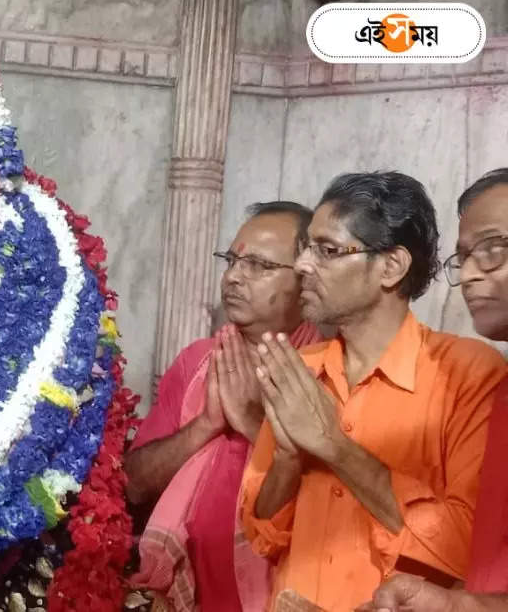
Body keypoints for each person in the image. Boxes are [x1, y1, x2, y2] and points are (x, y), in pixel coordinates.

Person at [240, 171, 506, 611]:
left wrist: (336, 448)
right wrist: (288, 459)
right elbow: (261, 535)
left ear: (391, 267)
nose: (304, 265)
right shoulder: (299, 370)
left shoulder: (468, 374)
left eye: (327, 250)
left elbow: (466, 544)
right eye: (307, 248)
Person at [125, 201, 322, 611]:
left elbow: (335, 514)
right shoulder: (197, 361)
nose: (233, 277)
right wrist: (204, 426)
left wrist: (254, 425)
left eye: (259, 265)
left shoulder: (328, 373)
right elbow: (132, 486)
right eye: (232, 260)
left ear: (306, 277)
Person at [358, 168, 508, 611]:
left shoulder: (471, 373)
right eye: (463, 258)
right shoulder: (501, 388)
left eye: (494, 250)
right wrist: (452, 603)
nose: (472, 275)